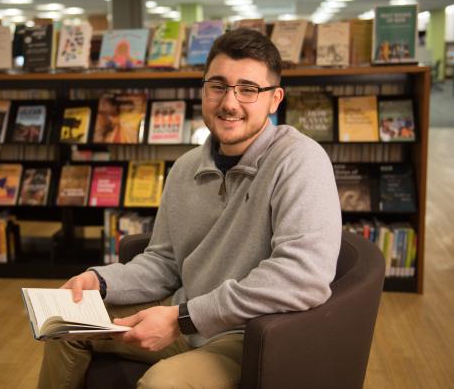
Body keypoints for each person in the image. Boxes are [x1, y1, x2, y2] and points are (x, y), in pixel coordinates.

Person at [38, 28, 342, 388]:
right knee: (64, 324)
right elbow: (164, 262)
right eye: (218, 85)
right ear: (203, 90)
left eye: (248, 89)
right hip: (183, 315)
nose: (230, 102)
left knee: (161, 384)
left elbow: (303, 275)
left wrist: (184, 317)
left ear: (275, 99)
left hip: (251, 335)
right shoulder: (185, 168)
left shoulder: (300, 161)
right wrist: (101, 281)